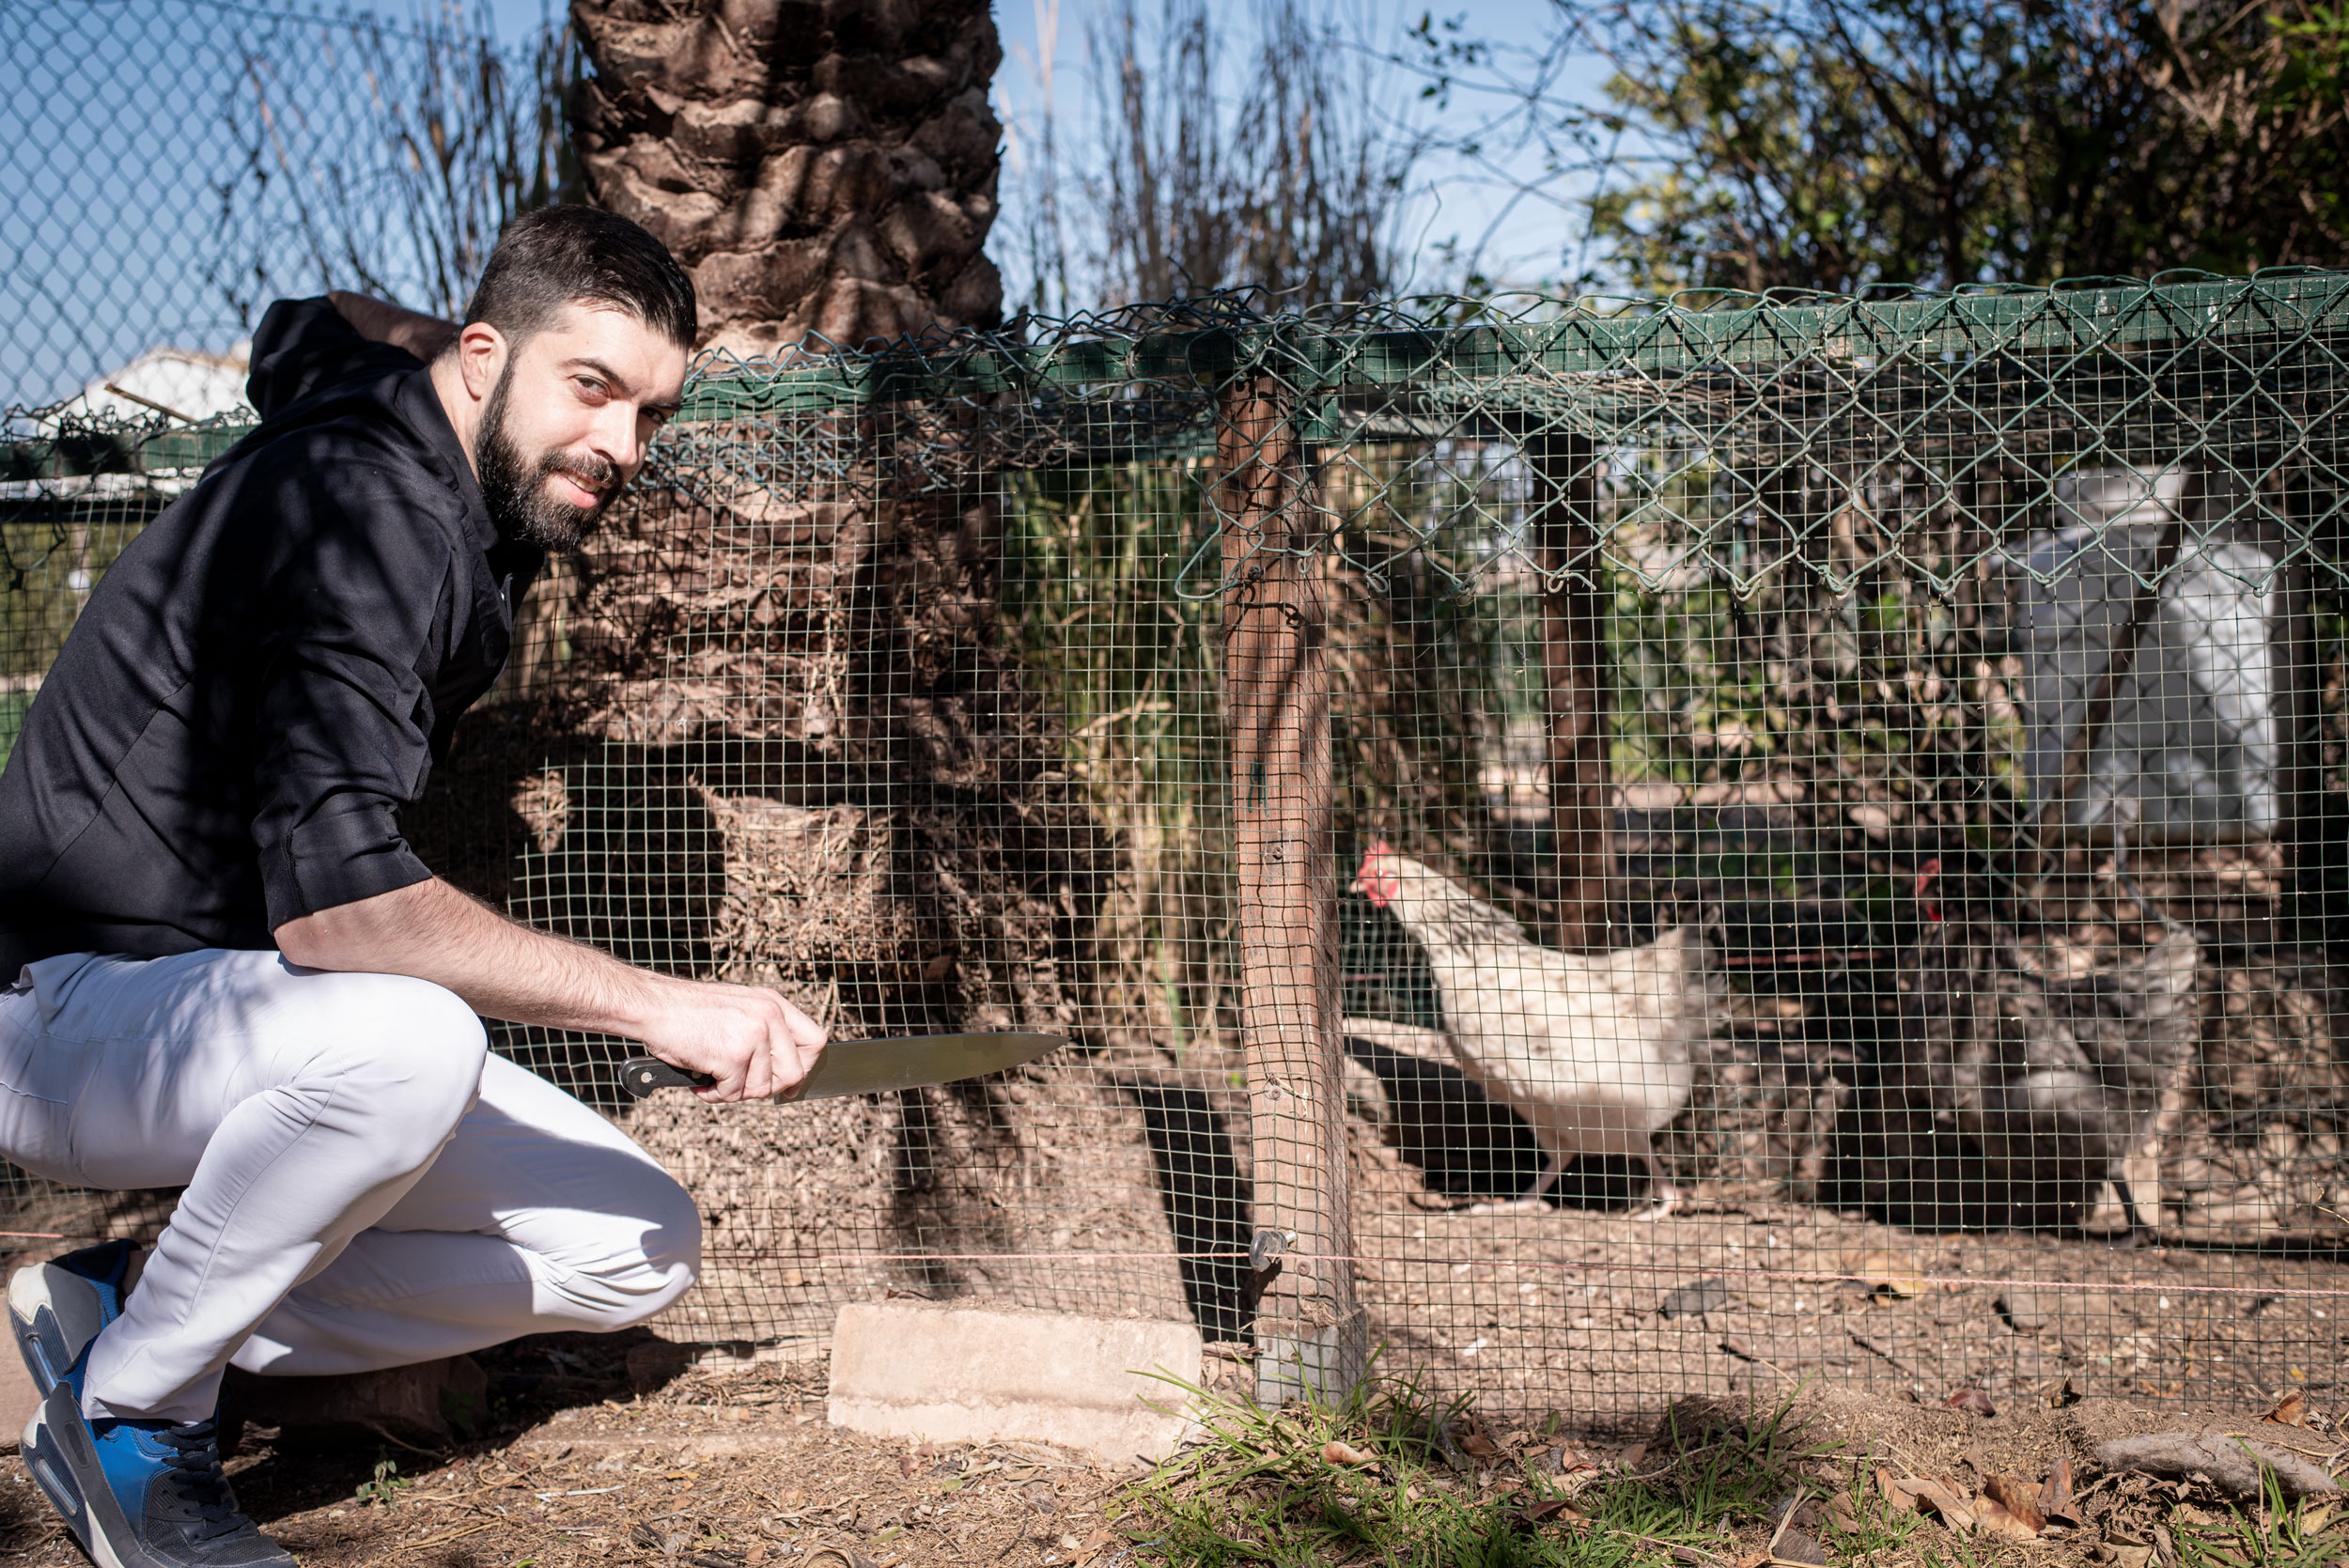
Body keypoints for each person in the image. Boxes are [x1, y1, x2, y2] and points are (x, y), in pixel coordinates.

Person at [0, 205, 826, 1568]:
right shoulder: (371, 509)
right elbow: (344, 910)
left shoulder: (417, 405)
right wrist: (662, 1007)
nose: (623, 446)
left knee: (638, 1244)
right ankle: (134, 1417)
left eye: (649, 412)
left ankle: (131, 1307)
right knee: (411, 1037)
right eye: (592, 387)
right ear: (490, 353)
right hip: (58, 1005)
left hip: (219, 1011)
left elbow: (298, 330)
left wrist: (460, 346)